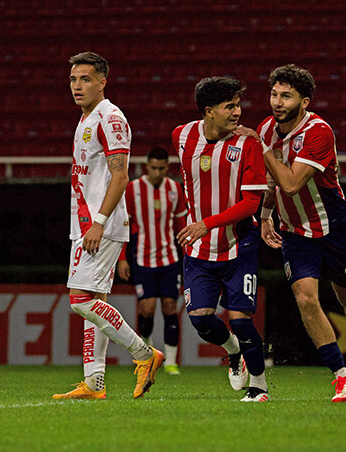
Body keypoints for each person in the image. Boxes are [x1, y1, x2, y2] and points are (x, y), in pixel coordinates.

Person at [252, 64, 346, 402]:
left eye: (286, 96)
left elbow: (290, 183)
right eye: (274, 94)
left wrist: (261, 150)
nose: (277, 102)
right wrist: (265, 216)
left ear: (304, 102)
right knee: (306, 297)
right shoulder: (265, 130)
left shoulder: (319, 132)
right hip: (295, 232)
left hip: (333, 227)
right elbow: (271, 182)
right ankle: (340, 376)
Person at [53, 52, 164, 400]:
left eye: (85, 79)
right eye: (73, 79)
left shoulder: (111, 117)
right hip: (85, 222)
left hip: (100, 223)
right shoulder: (87, 118)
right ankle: (94, 382)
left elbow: (121, 175)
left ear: (103, 82)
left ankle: (145, 354)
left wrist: (98, 223)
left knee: (80, 300)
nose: (77, 86)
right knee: (95, 299)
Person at [172, 76, 270, 402]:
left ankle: (259, 386)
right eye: (230, 106)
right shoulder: (181, 136)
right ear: (208, 111)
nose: (238, 112)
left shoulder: (249, 144)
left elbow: (251, 203)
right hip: (199, 249)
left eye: (238, 104)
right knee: (200, 320)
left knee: (241, 319)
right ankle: (234, 352)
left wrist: (207, 223)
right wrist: (201, 228)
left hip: (239, 242)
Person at [117, 146, 188, 375]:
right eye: (154, 168)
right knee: (146, 310)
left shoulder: (175, 189)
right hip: (143, 259)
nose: (158, 172)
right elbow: (123, 227)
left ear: (168, 167)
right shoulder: (133, 189)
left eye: (162, 168)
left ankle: (171, 362)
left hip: (169, 259)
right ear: (147, 167)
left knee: (170, 307)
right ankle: (145, 354)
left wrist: (189, 259)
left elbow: (181, 227)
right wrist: (122, 259)